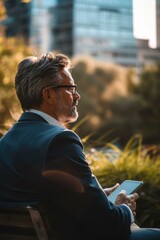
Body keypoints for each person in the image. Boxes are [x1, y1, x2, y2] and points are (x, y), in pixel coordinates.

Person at [0, 52, 159, 240]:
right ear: (48, 94)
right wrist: (125, 208)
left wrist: (97, 196)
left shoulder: (5, 142)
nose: (78, 95)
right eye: (70, 88)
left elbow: (41, 197)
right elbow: (107, 224)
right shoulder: (59, 141)